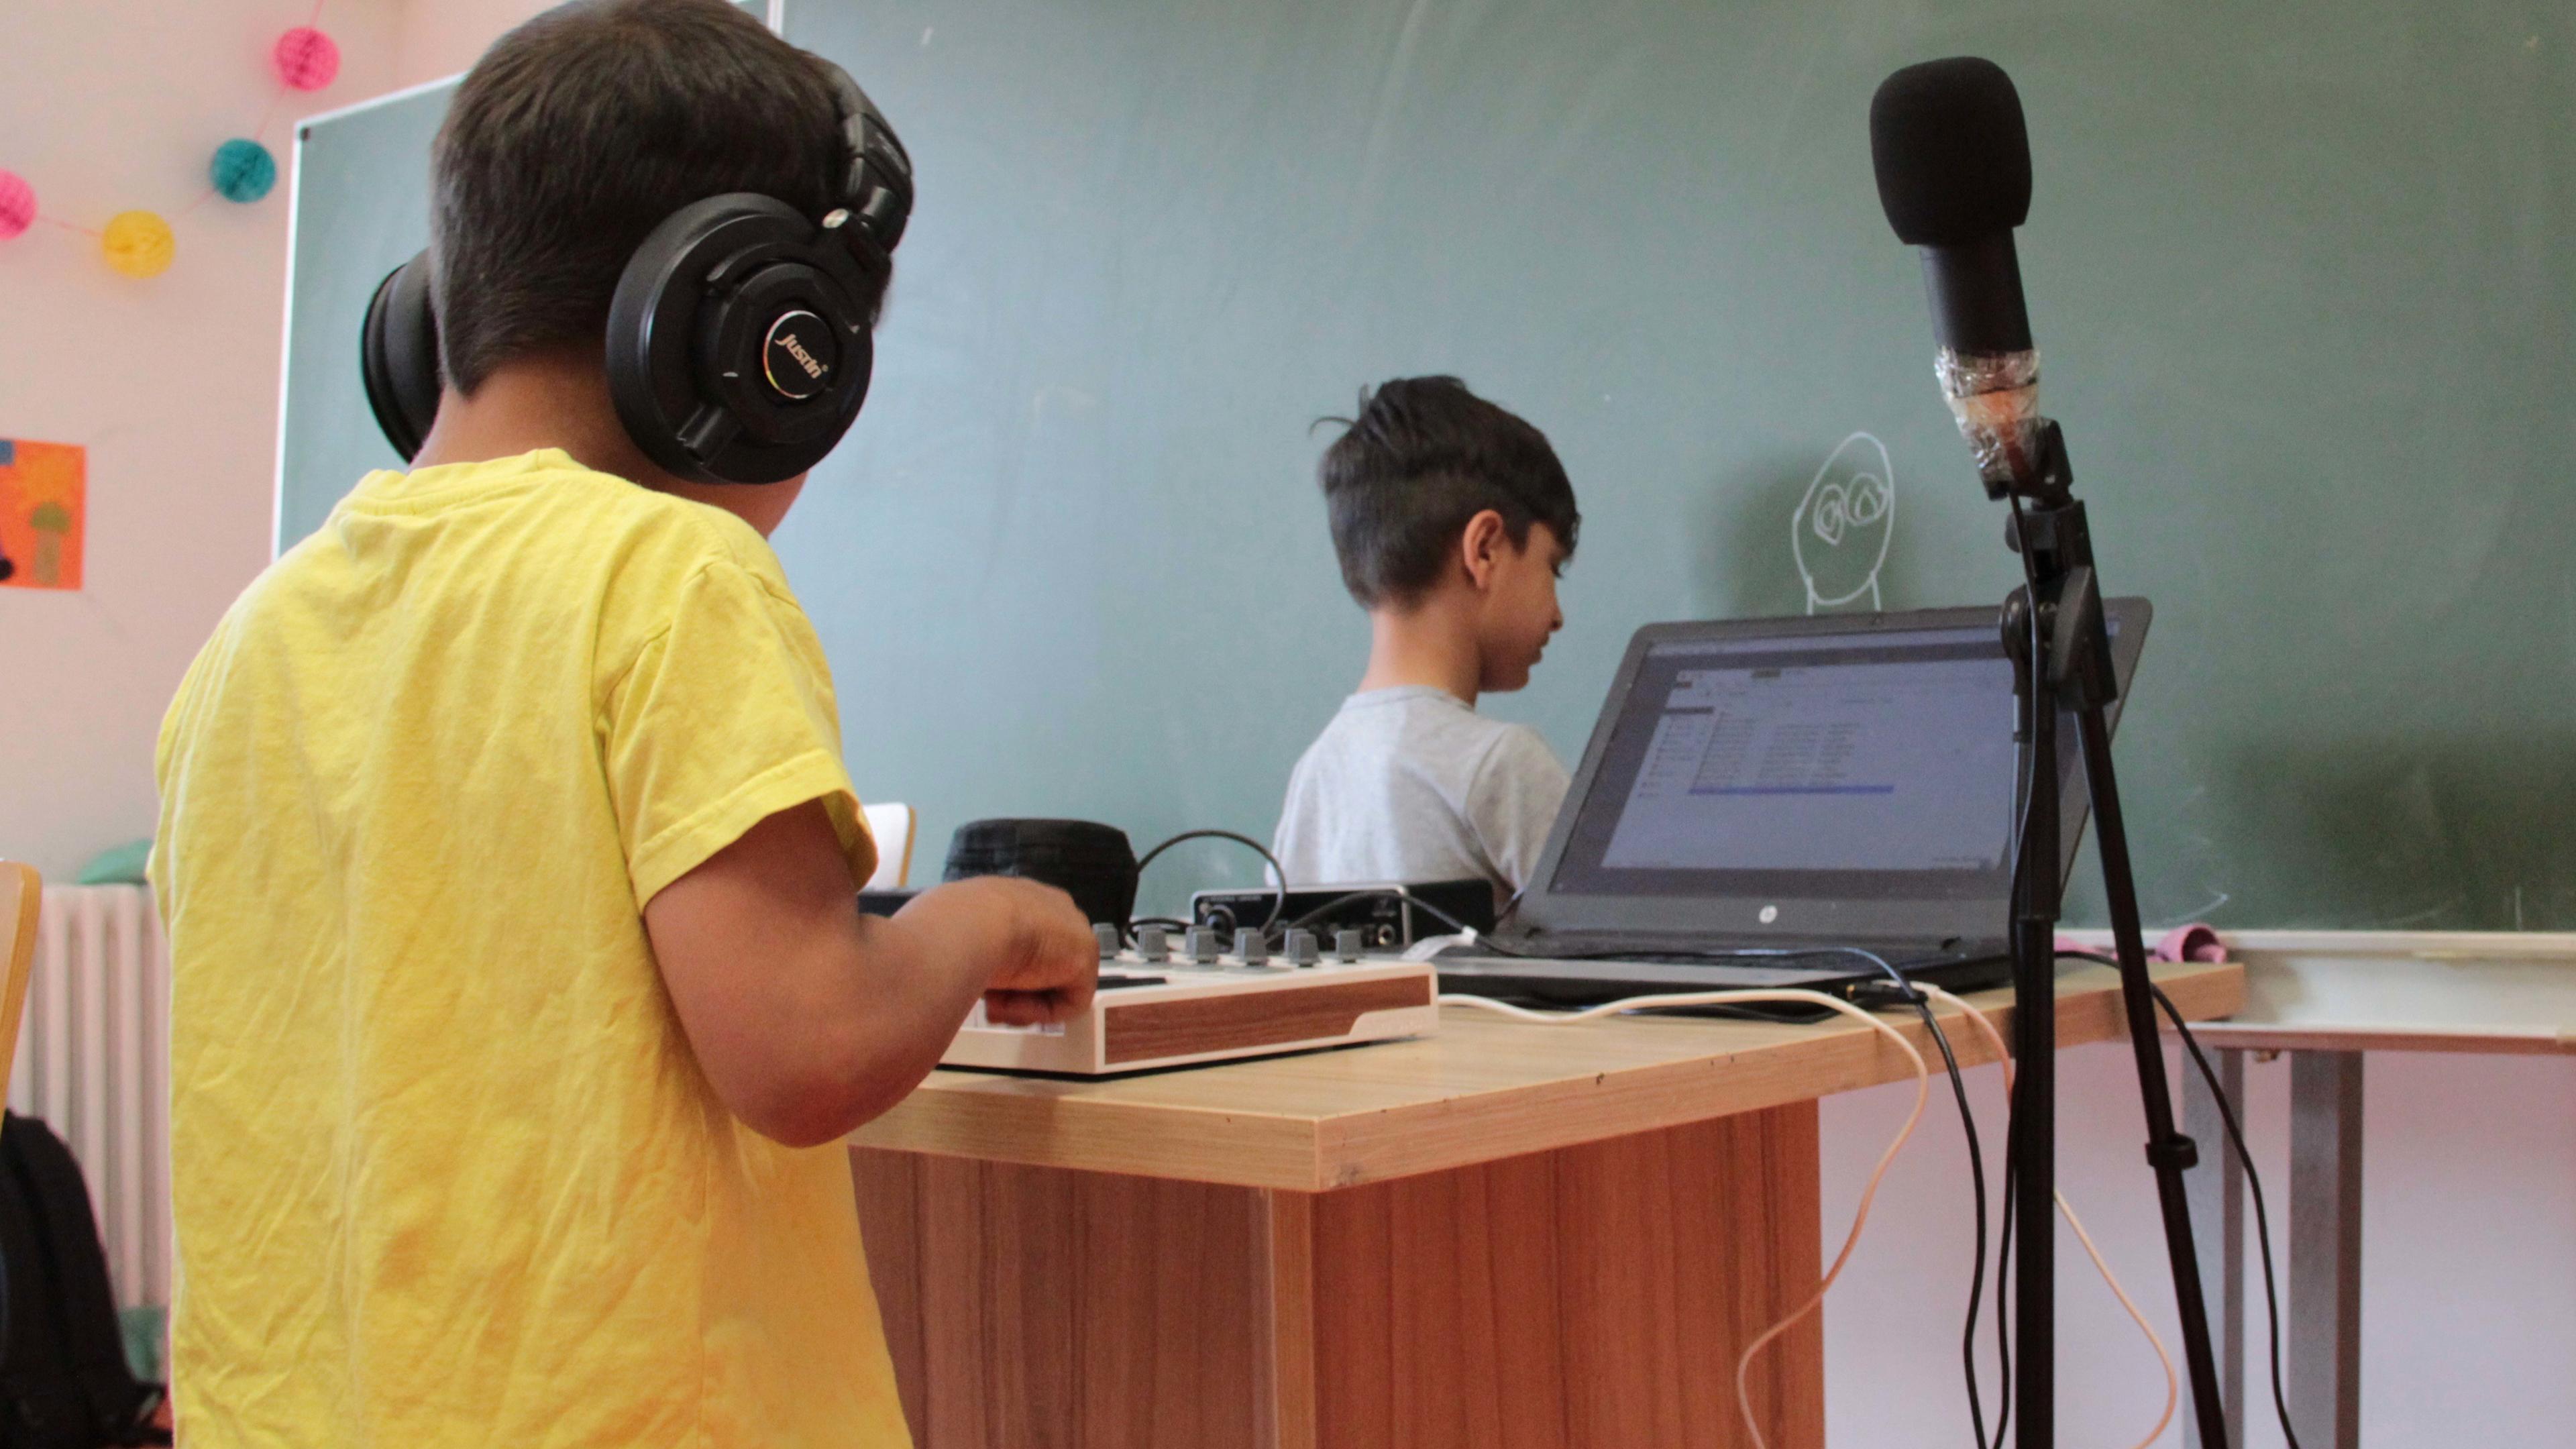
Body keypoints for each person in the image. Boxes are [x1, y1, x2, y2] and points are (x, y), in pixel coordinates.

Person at [149, 3, 1094, 1442]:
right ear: (757, 342)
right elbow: (811, 1045)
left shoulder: (248, 639)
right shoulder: (670, 576)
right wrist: (990, 921)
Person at [1273, 376, 1581, 902]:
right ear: (1485, 550)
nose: (1558, 616)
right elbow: (1619, 938)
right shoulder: (1504, 763)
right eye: (1552, 568)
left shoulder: (1317, 773)